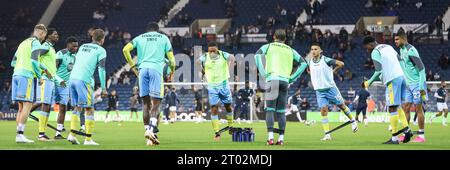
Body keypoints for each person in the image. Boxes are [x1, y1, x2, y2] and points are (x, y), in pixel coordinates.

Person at [122, 22, 175, 146]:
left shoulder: (140, 38)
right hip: (156, 70)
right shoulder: (163, 38)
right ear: (158, 30)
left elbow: (125, 49)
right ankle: (151, 130)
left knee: (145, 104)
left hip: (142, 70)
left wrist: (133, 66)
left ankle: (147, 133)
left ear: (147, 30)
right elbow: (172, 61)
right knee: (156, 103)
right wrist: (172, 73)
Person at [255, 29, 308, 145]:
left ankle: (270, 138)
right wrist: (292, 78)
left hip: (272, 79)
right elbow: (304, 63)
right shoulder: (290, 50)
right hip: (284, 81)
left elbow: (257, 56)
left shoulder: (268, 46)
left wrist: (263, 73)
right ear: (285, 39)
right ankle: (281, 139)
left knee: (270, 110)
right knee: (280, 112)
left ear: (274, 36)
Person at [363, 35, 413, 144]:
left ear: (370, 44)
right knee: (397, 106)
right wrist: (405, 76)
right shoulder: (388, 46)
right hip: (401, 77)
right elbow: (401, 60)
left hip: (392, 80)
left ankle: (394, 138)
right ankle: (407, 130)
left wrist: (368, 82)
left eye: (367, 48)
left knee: (392, 109)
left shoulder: (375, 51)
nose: (367, 50)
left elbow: (378, 71)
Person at [307, 42, 358, 141]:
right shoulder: (310, 62)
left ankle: (353, 121)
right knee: (323, 111)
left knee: (342, 106)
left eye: (315, 49)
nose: (313, 51)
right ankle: (327, 135)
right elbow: (311, 72)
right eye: (312, 49)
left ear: (320, 51)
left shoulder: (326, 60)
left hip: (330, 89)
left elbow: (341, 64)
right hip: (319, 91)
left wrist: (334, 71)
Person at [11, 24, 52, 143]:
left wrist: (44, 69)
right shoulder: (36, 43)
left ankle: (18, 134)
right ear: (41, 33)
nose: (44, 38)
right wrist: (39, 76)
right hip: (26, 75)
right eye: (44, 36)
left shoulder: (22, 43)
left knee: (21, 107)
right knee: (28, 105)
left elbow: (13, 63)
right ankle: (20, 135)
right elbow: (34, 61)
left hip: (16, 75)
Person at [67, 29, 108, 145]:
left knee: (76, 107)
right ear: (102, 39)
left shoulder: (83, 46)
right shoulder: (101, 50)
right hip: (84, 80)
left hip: (72, 78)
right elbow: (102, 69)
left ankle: (72, 135)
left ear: (92, 37)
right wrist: (104, 88)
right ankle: (88, 139)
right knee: (89, 108)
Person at [198, 41, 235, 141]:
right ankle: (217, 133)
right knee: (214, 108)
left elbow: (232, 57)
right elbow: (197, 62)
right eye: (210, 51)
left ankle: (231, 125)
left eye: (213, 51)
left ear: (217, 49)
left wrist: (229, 69)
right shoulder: (205, 56)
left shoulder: (223, 54)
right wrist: (203, 72)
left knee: (228, 106)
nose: (212, 53)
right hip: (212, 87)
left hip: (224, 85)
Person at [394, 32, 427, 142]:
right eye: (395, 40)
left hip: (417, 84)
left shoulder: (411, 50)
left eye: (397, 39)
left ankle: (421, 135)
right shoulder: (401, 50)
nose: (395, 41)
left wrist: (421, 85)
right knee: (406, 108)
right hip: (408, 85)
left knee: (418, 109)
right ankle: (406, 132)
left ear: (403, 39)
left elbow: (422, 68)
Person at [34, 28, 66, 141]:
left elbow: (52, 68)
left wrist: (57, 79)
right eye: (55, 34)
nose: (57, 36)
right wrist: (43, 72)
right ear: (48, 36)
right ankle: (41, 134)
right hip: (45, 79)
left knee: (47, 105)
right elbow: (35, 58)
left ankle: (42, 133)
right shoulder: (45, 46)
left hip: (51, 80)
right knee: (45, 104)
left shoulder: (51, 48)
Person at [53, 36, 79, 139]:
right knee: (42, 104)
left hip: (65, 85)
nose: (75, 48)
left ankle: (58, 133)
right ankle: (28, 112)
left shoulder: (75, 56)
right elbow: (52, 70)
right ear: (68, 45)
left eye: (77, 46)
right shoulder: (60, 54)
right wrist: (59, 80)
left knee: (63, 107)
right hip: (54, 83)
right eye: (73, 46)